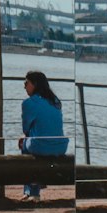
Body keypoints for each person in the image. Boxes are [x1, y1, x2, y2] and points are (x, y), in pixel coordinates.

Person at [19, 69, 68, 202]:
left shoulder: (28, 103)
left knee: (24, 144)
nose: (24, 85)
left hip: (41, 146)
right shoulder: (56, 101)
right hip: (60, 146)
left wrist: (24, 137)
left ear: (34, 84)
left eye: (26, 82)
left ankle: (32, 191)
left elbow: (26, 129)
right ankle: (34, 188)